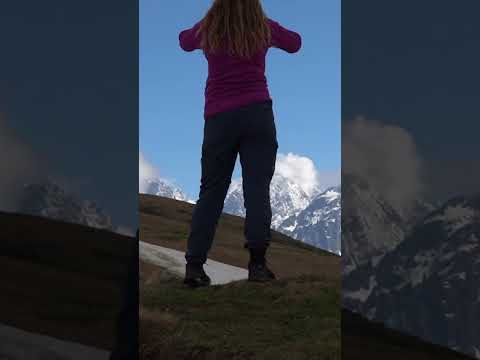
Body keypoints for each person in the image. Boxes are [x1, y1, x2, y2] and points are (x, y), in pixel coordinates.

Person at [179, 0, 301, 287]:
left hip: (219, 119)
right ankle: (257, 265)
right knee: (257, 189)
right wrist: (264, 24)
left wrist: (208, 21)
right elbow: (295, 43)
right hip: (257, 113)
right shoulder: (262, 27)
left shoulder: (209, 29)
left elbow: (184, 41)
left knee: (211, 192)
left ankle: (194, 267)